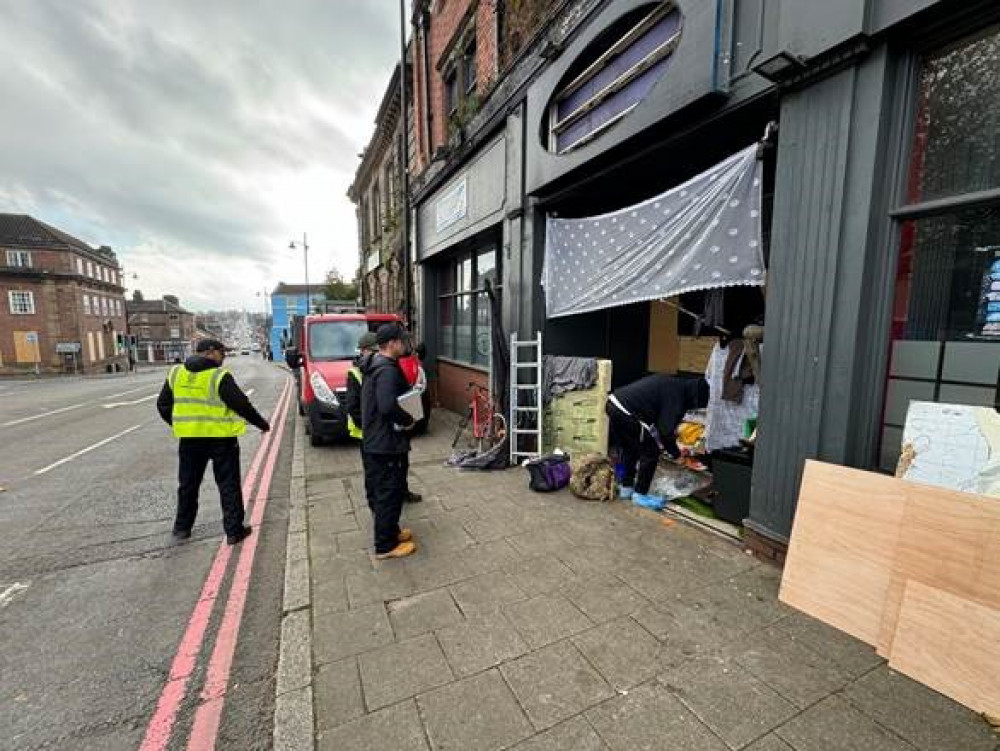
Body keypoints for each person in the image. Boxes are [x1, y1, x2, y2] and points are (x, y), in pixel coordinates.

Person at [156, 338, 271, 545]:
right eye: (222, 353)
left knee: (188, 485)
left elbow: (163, 405)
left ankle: (182, 528)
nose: (224, 357)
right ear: (211, 353)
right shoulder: (218, 376)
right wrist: (262, 424)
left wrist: (182, 424)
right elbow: (241, 404)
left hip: (190, 440)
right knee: (228, 485)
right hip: (221, 440)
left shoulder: (176, 373)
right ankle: (234, 531)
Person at [606, 374, 710, 508]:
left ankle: (626, 488)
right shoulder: (677, 396)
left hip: (613, 403)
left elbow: (663, 423)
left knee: (630, 448)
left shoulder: (676, 386)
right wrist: (677, 455)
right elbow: (665, 431)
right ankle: (640, 494)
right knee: (650, 452)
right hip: (627, 412)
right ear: (697, 398)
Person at [345, 330, 423, 504]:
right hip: (369, 433)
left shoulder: (381, 366)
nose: (375, 354)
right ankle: (375, 503)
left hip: (389, 431)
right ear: (364, 350)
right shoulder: (359, 372)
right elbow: (353, 406)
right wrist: (367, 425)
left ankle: (401, 492)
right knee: (376, 475)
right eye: (372, 350)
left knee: (399, 466)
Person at [360, 323, 417, 559]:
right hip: (386, 443)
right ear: (392, 343)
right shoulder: (387, 370)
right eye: (401, 340)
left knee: (386, 490)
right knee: (389, 493)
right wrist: (408, 419)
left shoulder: (375, 364)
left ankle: (391, 531)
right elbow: (387, 405)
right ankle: (385, 546)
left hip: (376, 441)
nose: (404, 344)